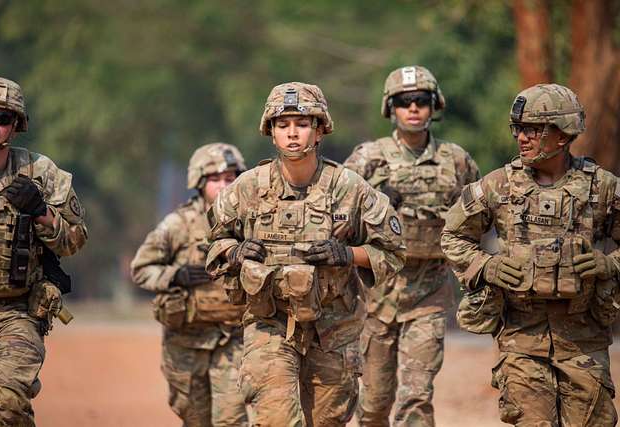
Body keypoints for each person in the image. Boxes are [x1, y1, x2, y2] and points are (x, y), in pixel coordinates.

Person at [206, 82, 407, 426]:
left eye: (302, 124)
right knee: (276, 419)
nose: (293, 134)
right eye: (283, 126)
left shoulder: (350, 187)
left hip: (334, 329)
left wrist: (347, 255)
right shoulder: (247, 188)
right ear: (271, 133)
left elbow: (393, 252)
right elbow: (213, 247)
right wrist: (236, 251)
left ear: (319, 130)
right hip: (269, 324)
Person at [441, 83, 619, 426]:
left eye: (533, 130)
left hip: (583, 341)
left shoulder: (602, 187)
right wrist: (485, 265)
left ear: (563, 135)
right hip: (521, 340)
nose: (521, 137)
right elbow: (452, 235)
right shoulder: (499, 186)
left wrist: (608, 263)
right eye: (518, 129)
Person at [344, 65, 480, 426]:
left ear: (434, 105)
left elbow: (479, 218)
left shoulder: (457, 161)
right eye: (405, 102)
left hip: (429, 296)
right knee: (373, 404)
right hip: (376, 299)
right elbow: (336, 216)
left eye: (422, 100)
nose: (414, 108)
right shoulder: (366, 160)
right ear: (391, 108)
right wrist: (373, 204)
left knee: (416, 397)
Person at [0, 76, 87, 425]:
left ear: (16, 126)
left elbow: (74, 240)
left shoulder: (41, 174)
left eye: (3, 118)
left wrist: (41, 212)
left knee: (6, 401)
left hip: (14, 314)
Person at [130, 143, 248, 427]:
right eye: (215, 179)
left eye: (230, 179)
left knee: (231, 419)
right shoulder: (176, 225)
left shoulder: (250, 222)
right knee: (194, 418)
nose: (223, 186)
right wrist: (176, 275)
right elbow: (141, 269)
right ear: (198, 182)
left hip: (233, 339)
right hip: (185, 342)